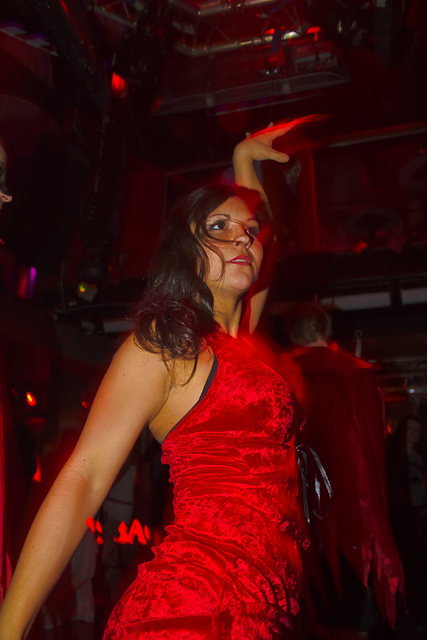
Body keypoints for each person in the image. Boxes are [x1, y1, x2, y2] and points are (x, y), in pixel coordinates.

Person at [0, 122, 304, 640]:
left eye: (249, 232)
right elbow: (84, 480)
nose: (243, 238)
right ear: (186, 250)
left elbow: (259, 228)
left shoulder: (244, 341)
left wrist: (244, 160)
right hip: (192, 611)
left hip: (262, 609)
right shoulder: (165, 346)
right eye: (218, 228)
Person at [283, 303, 404, 640]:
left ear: (293, 332)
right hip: (357, 516)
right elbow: (374, 449)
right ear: (326, 329)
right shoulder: (359, 374)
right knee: (354, 613)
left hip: (302, 515)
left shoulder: (280, 372)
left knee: (310, 616)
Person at [388, 415, 427, 619]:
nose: (413, 432)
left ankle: (415, 609)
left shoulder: (422, 458)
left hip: (416, 515)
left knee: (416, 564)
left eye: (417, 429)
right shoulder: (390, 457)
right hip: (396, 515)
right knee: (398, 562)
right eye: (410, 427)